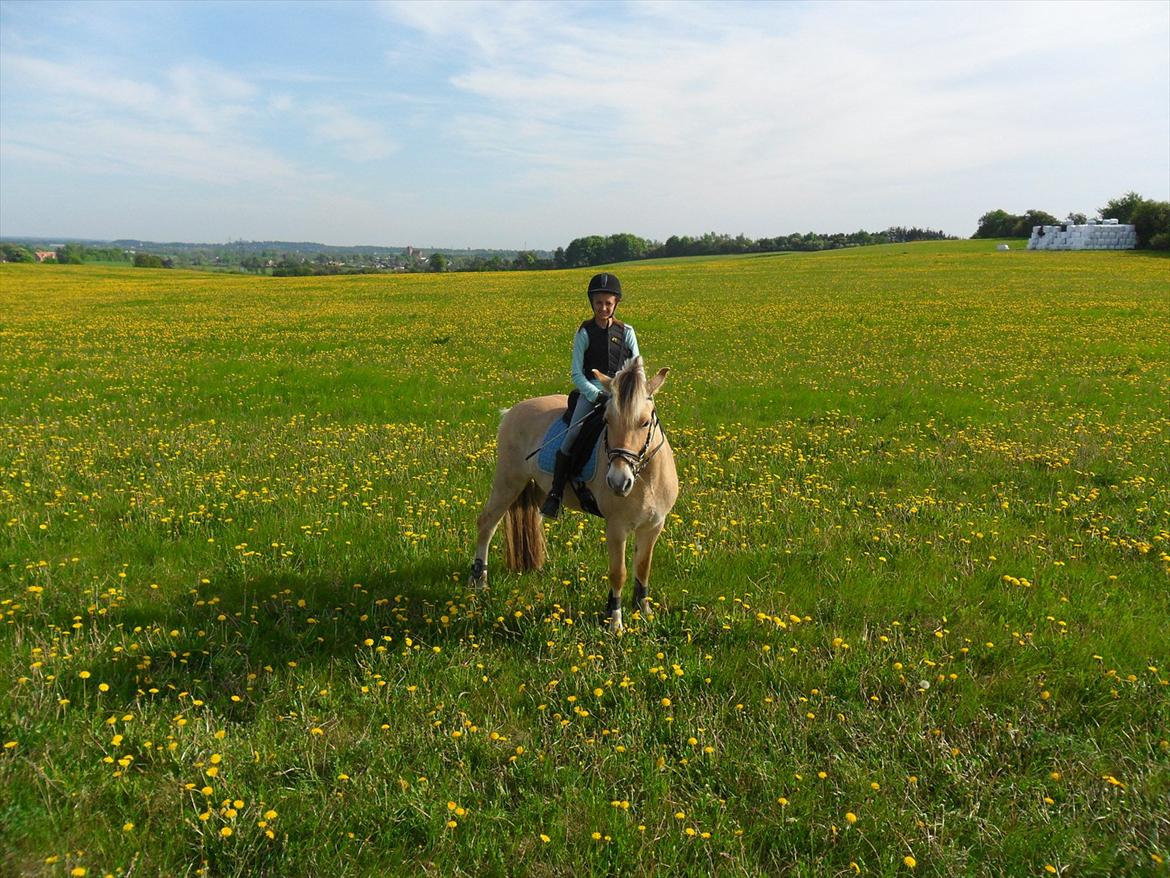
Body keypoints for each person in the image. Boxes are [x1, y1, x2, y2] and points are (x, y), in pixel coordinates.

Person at [540, 272, 640, 519]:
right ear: (591, 303)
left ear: (616, 303)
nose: (603, 308)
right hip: (591, 391)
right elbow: (576, 373)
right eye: (598, 303)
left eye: (608, 303)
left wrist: (634, 394)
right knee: (572, 433)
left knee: (643, 426)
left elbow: (637, 369)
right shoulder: (584, 332)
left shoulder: (626, 331)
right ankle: (555, 493)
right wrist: (596, 395)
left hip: (620, 394)